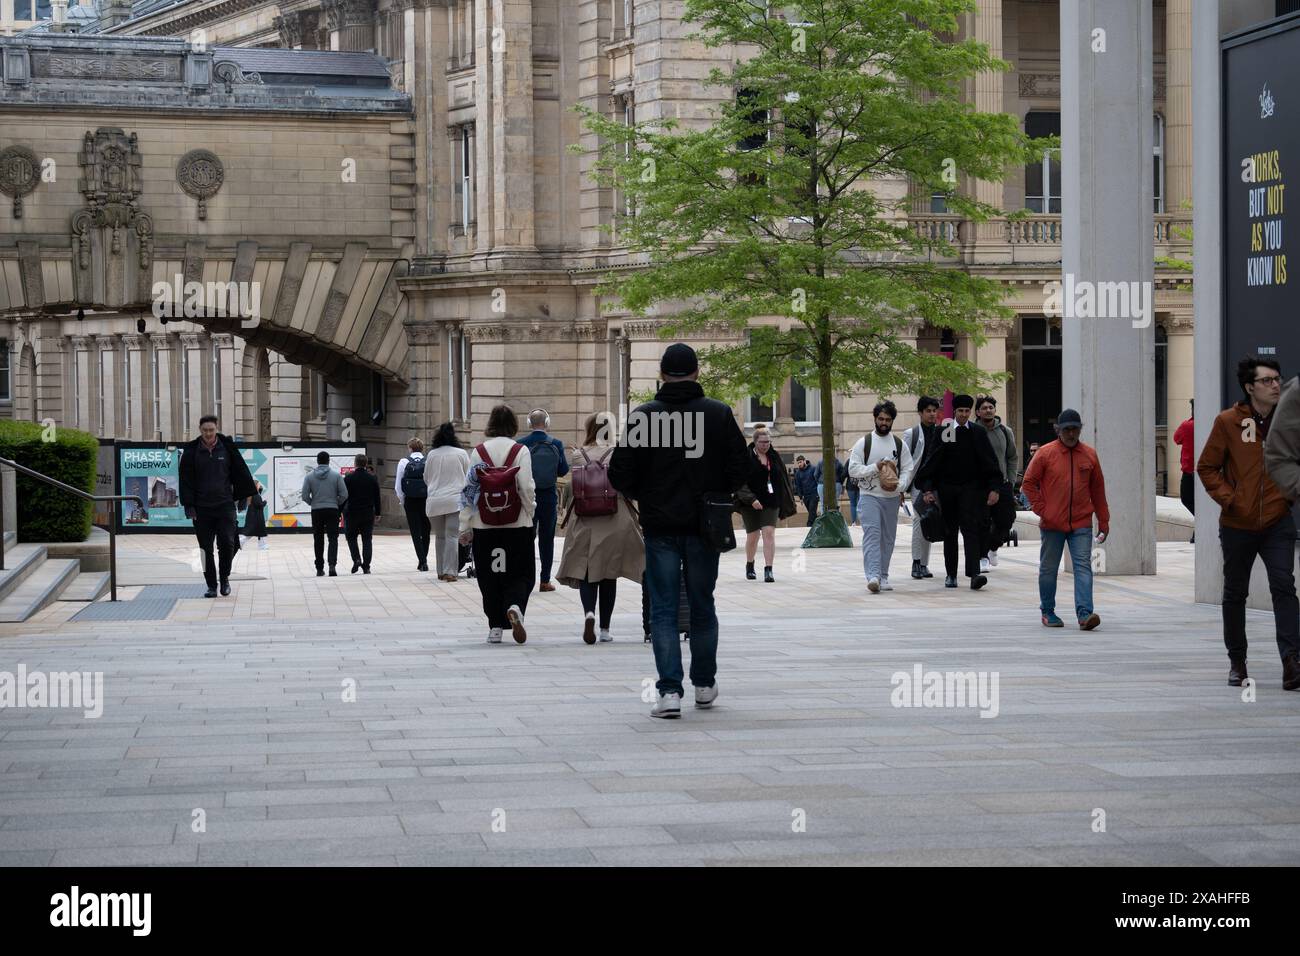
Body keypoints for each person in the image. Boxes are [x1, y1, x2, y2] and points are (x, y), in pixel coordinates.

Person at [609, 343, 749, 719]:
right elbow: (742, 466)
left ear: (661, 373)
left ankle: (669, 692)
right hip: (705, 525)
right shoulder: (718, 414)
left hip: (660, 524)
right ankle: (704, 684)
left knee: (665, 609)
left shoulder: (645, 417)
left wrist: (647, 494)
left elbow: (619, 474)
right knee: (703, 603)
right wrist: (720, 494)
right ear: (697, 372)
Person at [1201, 358, 1298, 690]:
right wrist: (1231, 499)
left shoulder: (1290, 421)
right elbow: (1207, 467)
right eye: (1268, 380)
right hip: (1237, 523)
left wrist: (1289, 495)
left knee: (1284, 586)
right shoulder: (1228, 421)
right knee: (1235, 593)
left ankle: (1292, 661)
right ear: (1249, 387)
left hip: (1277, 520)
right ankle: (1237, 662)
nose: (1276, 386)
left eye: (1278, 380)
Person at [556, 413, 646, 643]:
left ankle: (589, 613)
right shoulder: (616, 454)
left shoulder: (578, 455)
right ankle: (605, 629)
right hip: (615, 517)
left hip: (585, 518)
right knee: (609, 573)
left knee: (588, 571)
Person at [1020, 408, 1109, 630]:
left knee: (1083, 567)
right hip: (1052, 524)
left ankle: (1085, 614)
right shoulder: (1045, 454)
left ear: (1080, 430)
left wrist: (1104, 521)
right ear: (1058, 430)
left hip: (1081, 523)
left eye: (1075, 429)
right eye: (1067, 429)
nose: (1071, 434)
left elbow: (1098, 490)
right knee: (1049, 569)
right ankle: (1048, 611)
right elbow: (1028, 484)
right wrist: (1043, 510)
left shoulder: (1089, 454)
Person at [458, 405, 536, 644]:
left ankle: (494, 626)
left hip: (485, 525)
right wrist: (530, 511)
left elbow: (470, 490)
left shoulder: (479, 452)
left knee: (488, 575)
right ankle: (514, 606)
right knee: (521, 573)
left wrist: (465, 525)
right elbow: (526, 487)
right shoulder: (520, 451)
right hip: (517, 524)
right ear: (513, 425)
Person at [913, 394, 1001, 590]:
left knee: (971, 531)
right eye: (960, 411)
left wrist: (994, 487)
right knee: (950, 532)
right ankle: (951, 574)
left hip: (971, 490)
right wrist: (927, 488)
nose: (963, 415)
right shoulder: (945, 431)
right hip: (948, 490)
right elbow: (933, 460)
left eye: (966, 411)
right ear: (954, 412)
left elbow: (989, 461)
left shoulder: (977, 432)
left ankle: (974, 574)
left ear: (971, 412)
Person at [178, 414, 257, 599]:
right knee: (205, 550)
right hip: (201, 508)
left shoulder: (227, 447)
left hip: (225, 505)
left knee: (228, 544)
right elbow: (185, 480)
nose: (208, 434)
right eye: (205, 430)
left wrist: (243, 496)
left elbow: (240, 471)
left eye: (211, 430)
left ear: (217, 429)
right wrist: (189, 506)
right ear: (200, 430)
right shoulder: (191, 451)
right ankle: (211, 586)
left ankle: (225, 578)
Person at [848, 400, 914, 593]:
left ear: (892, 420)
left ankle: (884, 575)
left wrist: (900, 485)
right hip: (869, 496)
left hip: (892, 498)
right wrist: (874, 467)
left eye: (888, 419)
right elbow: (853, 469)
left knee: (888, 538)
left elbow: (908, 468)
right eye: (881, 419)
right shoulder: (864, 443)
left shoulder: (899, 444)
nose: (884, 422)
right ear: (875, 419)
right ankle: (873, 576)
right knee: (872, 535)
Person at [736, 424, 796, 582]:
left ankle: (768, 569)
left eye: (768, 442)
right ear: (755, 442)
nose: (766, 445)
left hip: (771, 501)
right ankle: (750, 565)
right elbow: (739, 482)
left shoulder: (774, 457)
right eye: (763, 442)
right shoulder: (745, 457)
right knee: (753, 536)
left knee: (768, 533)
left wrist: (785, 501)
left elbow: (783, 480)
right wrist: (751, 499)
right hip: (750, 503)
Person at [517, 410, 569, 593]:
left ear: (528, 423)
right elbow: (563, 470)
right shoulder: (556, 443)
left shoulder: (521, 444)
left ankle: (526, 579)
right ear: (547, 422)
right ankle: (545, 581)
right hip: (548, 497)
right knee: (546, 540)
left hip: (527, 496)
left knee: (526, 539)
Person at [975, 395, 1018, 572]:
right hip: (980, 485)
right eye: (984, 408)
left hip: (1003, 484)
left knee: (1007, 519)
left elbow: (1012, 457)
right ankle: (982, 556)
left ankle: (993, 547)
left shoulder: (1005, 431)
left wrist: (1011, 480)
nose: (988, 410)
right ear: (978, 412)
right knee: (982, 521)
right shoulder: (973, 431)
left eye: (991, 407)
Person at [424, 422, 471, 582]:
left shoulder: (432, 454)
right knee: (452, 536)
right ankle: (450, 571)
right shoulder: (461, 453)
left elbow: (426, 477)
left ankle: (440, 570)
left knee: (440, 537)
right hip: (454, 500)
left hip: (435, 500)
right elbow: (468, 476)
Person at [903, 396, 942, 579]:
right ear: (920, 413)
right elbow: (905, 462)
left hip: (936, 485)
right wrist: (902, 488)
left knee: (930, 521)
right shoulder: (912, 434)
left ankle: (924, 564)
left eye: (934, 410)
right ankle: (916, 562)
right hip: (918, 485)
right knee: (919, 522)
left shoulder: (942, 432)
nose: (932, 414)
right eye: (928, 410)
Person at [301, 451, 348, 577]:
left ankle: (319, 568)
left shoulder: (309, 476)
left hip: (317, 510)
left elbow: (304, 495)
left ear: (317, 461)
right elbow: (344, 494)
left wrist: (313, 503)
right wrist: (335, 503)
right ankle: (332, 565)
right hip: (332, 509)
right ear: (328, 461)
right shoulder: (336, 476)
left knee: (318, 538)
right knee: (333, 538)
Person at [396, 437, 431, 571]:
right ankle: (424, 558)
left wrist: (403, 500)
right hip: (425, 499)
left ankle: (422, 561)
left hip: (410, 499)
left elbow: (398, 485)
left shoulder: (404, 462)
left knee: (415, 531)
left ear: (410, 448)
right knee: (426, 529)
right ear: (422, 448)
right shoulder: (427, 461)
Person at [343, 453, 381, 574]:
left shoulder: (348, 478)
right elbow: (377, 497)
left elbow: (343, 496)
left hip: (352, 512)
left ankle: (357, 559)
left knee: (351, 537)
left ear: (355, 464)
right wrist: (378, 512)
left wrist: (341, 510)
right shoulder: (372, 478)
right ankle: (367, 566)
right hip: (368, 512)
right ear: (366, 464)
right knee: (367, 539)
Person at [1173, 400, 1195, 543]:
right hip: (1207, 472)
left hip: (1189, 471)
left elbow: (1176, 438)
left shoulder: (1187, 425)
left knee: (1186, 499)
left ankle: (1200, 525)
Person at [239, 480, 269, 551]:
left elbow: (258, 499)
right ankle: (240, 542)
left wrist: (260, 489)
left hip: (254, 516)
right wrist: (265, 502)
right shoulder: (255, 495)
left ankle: (262, 545)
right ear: (255, 486)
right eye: (258, 484)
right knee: (251, 532)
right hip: (256, 518)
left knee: (258, 532)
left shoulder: (253, 494)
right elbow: (259, 504)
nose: (260, 485)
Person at [793, 455, 819, 526]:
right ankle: (819, 525)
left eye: (800, 462)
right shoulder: (798, 473)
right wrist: (800, 497)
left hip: (814, 494)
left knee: (812, 511)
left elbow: (817, 480)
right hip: (805, 496)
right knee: (812, 513)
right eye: (798, 463)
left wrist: (818, 492)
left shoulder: (813, 469)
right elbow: (798, 485)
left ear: (804, 461)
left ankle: (808, 526)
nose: (799, 464)